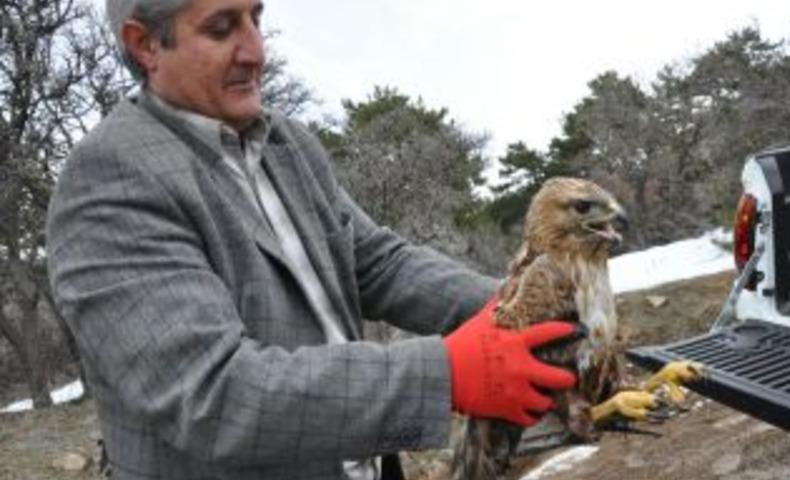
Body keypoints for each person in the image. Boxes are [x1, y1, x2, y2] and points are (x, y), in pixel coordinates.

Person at [45, 1, 578, 478]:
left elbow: (376, 263)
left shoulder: (285, 140)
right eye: (222, 27)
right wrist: (446, 373)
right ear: (144, 45)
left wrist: (529, 309)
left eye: (257, 17)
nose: (256, 51)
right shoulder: (110, 178)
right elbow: (214, 395)